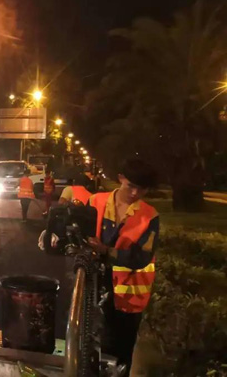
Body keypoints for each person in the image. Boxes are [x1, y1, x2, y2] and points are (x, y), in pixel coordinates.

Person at [87, 159, 159, 374]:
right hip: (92, 285)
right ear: (120, 178)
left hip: (128, 297)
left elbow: (141, 257)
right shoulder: (95, 201)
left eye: (142, 189)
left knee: (119, 355)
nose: (135, 193)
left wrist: (105, 251)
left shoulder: (149, 216)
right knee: (86, 345)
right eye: (131, 186)